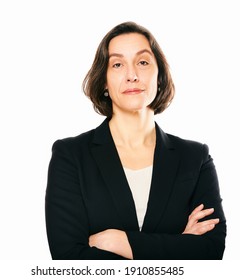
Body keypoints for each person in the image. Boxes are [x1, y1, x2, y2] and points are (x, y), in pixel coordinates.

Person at [45, 21, 226, 260]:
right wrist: (180, 244)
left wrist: (124, 243)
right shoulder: (70, 155)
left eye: (142, 62)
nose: (132, 75)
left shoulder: (195, 158)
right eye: (118, 64)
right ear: (105, 83)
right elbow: (68, 258)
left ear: (159, 76)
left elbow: (211, 252)